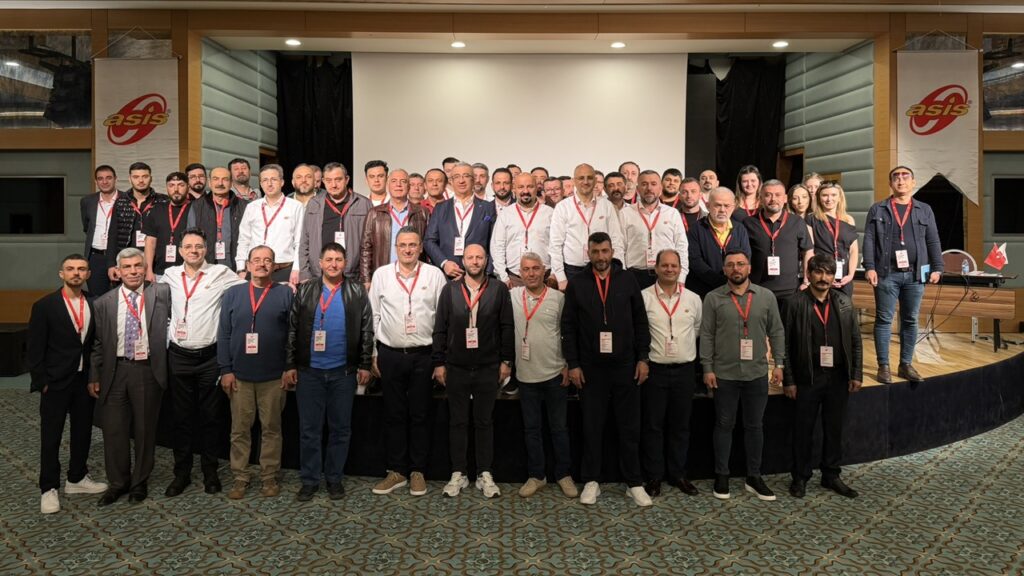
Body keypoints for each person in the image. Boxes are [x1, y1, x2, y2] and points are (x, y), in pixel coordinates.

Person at [561, 232, 652, 507]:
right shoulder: (577, 284)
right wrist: (573, 364)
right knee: (592, 426)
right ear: (588, 253)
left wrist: (643, 358)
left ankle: (634, 482)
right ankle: (592, 480)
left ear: (612, 252)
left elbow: (640, 321)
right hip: (591, 368)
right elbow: (568, 327)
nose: (600, 257)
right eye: (595, 252)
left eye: (604, 251)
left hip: (626, 365)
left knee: (629, 426)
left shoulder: (628, 280)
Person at [284, 243, 373, 501]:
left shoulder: (356, 290)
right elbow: (292, 329)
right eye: (329, 259)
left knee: (340, 429)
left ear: (345, 263)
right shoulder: (305, 290)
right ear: (320, 263)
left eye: (339, 260)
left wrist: (365, 364)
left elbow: (367, 329)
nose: (334, 264)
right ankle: (310, 480)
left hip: (343, 373)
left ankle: (334, 478)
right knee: (309, 430)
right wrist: (290, 364)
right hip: (309, 372)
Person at [161, 228, 246, 497]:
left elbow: (248, 288)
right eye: (188, 246)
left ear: (206, 249)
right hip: (178, 356)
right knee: (181, 419)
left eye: (198, 246)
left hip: (210, 357)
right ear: (180, 251)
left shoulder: (221, 273)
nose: (194, 251)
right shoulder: (170, 275)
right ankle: (181, 474)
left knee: (211, 418)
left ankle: (211, 472)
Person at [88, 247, 171, 506]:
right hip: (115, 371)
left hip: (147, 369)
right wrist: (94, 375)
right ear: (118, 271)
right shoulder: (103, 303)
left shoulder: (161, 293)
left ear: (145, 269)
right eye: (127, 267)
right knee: (114, 430)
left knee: (145, 430)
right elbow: (97, 344)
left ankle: (139, 482)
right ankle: (117, 483)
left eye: (138, 266)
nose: (133, 271)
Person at [700, 250, 784, 502]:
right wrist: (707, 368)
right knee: (724, 425)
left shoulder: (766, 297)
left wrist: (779, 364)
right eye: (730, 265)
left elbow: (777, 331)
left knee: (755, 426)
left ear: (749, 268)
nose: (736, 268)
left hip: (756, 373)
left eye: (740, 264)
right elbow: (707, 334)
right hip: (723, 374)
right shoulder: (713, 298)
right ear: (724, 269)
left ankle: (754, 477)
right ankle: (722, 475)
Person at [368, 228, 447, 497]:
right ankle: (397, 470)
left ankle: (417, 471)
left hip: (424, 355)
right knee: (394, 414)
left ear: (421, 247)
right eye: (402, 245)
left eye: (413, 245)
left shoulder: (434, 275)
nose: (408, 250)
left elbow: (443, 320)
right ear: (396, 247)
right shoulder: (381, 275)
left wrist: (440, 358)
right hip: (390, 354)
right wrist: (374, 353)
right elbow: (374, 315)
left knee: (421, 414)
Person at [432, 244, 514, 498]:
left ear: (486, 260)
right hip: (456, 366)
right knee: (457, 421)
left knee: (484, 421)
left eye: (479, 257)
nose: (475, 261)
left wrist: (506, 361)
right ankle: (459, 472)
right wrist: (438, 362)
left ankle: (484, 473)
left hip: (488, 366)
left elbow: (507, 327)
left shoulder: (498, 289)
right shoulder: (450, 290)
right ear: (463, 261)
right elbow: (440, 328)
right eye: (470, 257)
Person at [29, 254, 107, 513]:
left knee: (82, 432)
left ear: (88, 274)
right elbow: (35, 348)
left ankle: (77, 478)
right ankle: (48, 488)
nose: (76, 273)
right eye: (71, 269)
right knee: (51, 436)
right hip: (55, 382)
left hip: (84, 381)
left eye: (81, 269)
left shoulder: (94, 303)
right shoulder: (45, 306)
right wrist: (42, 382)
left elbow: (94, 344)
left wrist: (94, 377)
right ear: (61, 274)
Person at [783, 254, 863, 499]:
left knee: (834, 429)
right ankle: (800, 476)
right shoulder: (794, 303)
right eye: (818, 272)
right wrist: (789, 379)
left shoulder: (844, 302)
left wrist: (856, 373)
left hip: (838, 376)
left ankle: (831, 475)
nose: (823, 278)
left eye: (828, 273)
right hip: (807, 377)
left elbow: (855, 341)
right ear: (808, 274)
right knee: (803, 430)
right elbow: (784, 345)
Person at [218, 245, 294, 499]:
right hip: (239, 376)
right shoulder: (233, 294)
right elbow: (224, 334)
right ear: (248, 265)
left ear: (274, 266)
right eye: (257, 260)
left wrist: (289, 367)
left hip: (273, 377)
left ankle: (269, 476)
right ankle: (240, 477)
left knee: (271, 430)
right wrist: (225, 369)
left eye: (268, 260)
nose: (262, 264)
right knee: (239, 431)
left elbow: (292, 335)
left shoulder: (285, 294)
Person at [862, 166, 943, 385]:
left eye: (905, 177)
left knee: (910, 319)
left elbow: (933, 239)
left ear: (913, 182)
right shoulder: (878, 209)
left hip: (915, 275)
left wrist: (937, 267)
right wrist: (869, 266)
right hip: (886, 274)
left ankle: (905, 364)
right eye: (896, 177)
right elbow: (869, 239)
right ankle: (883, 366)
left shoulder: (924, 209)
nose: (900, 180)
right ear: (890, 183)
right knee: (884, 320)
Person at [511, 253, 577, 498]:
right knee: (532, 429)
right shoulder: (512, 297)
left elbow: (568, 332)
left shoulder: (559, 298)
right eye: (526, 269)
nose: (531, 273)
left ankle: (564, 474)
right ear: (520, 273)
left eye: (536, 268)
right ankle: (537, 476)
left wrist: (568, 364)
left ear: (544, 271)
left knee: (559, 428)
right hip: (526, 376)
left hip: (555, 374)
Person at [640, 249, 702, 498]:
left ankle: (678, 474)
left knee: (680, 426)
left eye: (673, 265)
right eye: (664, 265)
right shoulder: (644, 297)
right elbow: (640, 333)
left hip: (684, 371)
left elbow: (696, 330)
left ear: (680, 268)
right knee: (653, 426)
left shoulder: (693, 299)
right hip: (655, 371)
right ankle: (654, 476)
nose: (669, 269)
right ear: (655, 268)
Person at [549, 164, 625, 289]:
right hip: (572, 271)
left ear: (595, 180)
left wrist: (619, 272)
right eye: (581, 178)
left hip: (603, 268)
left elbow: (616, 240)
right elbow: (555, 245)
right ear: (574, 181)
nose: (585, 182)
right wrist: (561, 278)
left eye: (589, 178)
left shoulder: (606, 206)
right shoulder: (563, 207)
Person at [743, 179, 812, 314]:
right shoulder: (749, 223)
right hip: (758, 289)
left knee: (788, 327)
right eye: (768, 195)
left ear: (785, 198)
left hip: (790, 291)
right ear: (760, 198)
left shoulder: (797, 222)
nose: (773, 199)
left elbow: (808, 251)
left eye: (777, 195)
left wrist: (806, 281)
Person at [298, 162, 373, 283]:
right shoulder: (314, 204)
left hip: (353, 275)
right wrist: (304, 273)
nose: (333, 185)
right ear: (323, 181)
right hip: (318, 275)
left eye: (338, 180)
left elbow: (371, 243)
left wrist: (366, 277)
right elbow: (304, 242)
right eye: (328, 180)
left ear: (347, 179)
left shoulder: (363, 203)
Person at [424, 162, 497, 279]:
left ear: (473, 180)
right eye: (456, 177)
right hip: (447, 275)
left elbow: (495, 243)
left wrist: (487, 272)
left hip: (479, 276)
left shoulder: (488, 208)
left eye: (466, 176)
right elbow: (429, 240)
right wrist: (444, 263)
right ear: (451, 181)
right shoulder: (440, 208)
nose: (461, 181)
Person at [619, 170, 689, 289]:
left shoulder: (672, 213)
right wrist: (622, 275)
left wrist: (681, 277)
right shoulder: (625, 213)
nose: (649, 188)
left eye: (653, 184)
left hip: (667, 274)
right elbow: (619, 247)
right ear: (637, 188)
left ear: (660, 188)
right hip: (635, 276)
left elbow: (681, 247)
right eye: (644, 184)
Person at [236, 164, 305, 284]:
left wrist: (296, 269)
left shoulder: (295, 207)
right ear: (261, 183)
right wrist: (240, 268)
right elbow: (244, 239)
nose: (269, 184)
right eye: (265, 180)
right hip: (255, 269)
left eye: (273, 179)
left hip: (284, 269)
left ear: (282, 182)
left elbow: (300, 241)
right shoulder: (252, 207)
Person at [359, 168, 429, 286]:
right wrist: (366, 279)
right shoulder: (374, 213)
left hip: (415, 275)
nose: (398, 185)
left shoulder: (422, 212)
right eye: (394, 181)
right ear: (388, 185)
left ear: (408, 186)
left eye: (403, 181)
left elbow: (428, 245)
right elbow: (366, 248)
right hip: (384, 275)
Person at [106, 162, 166, 284]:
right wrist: (111, 264)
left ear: (151, 178)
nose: (141, 180)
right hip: (128, 261)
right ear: (130, 179)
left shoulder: (163, 201)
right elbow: (113, 235)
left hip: (157, 262)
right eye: (136, 177)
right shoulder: (121, 202)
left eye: (145, 176)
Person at [491, 172, 554, 288]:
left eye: (530, 186)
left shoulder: (549, 213)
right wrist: (503, 277)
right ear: (514, 189)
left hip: (545, 278)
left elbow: (556, 246)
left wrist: (554, 273)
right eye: (521, 187)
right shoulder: (505, 214)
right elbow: (497, 247)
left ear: (536, 188)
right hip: (514, 279)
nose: (525, 191)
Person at [687, 187, 751, 298]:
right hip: (704, 292)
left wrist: (732, 280)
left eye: (727, 206)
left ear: (733, 207)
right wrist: (721, 282)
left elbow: (746, 257)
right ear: (708, 206)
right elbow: (695, 260)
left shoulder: (740, 229)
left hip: (734, 291)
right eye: (717, 205)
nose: (722, 210)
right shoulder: (696, 229)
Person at [187, 166, 250, 268]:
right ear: (209, 183)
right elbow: (190, 238)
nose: (220, 183)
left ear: (231, 183)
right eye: (216, 179)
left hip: (236, 267)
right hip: (205, 266)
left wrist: (243, 267)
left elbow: (250, 239)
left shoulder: (244, 206)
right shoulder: (196, 206)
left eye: (225, 179)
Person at [809, 182, 858, 297]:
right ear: (819, 198)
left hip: (844, 277)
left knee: (843, 307)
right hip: (821, 274)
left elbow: (853, 250)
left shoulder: (849, 219)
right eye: (825, 195)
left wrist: (850, 275)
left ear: (840, 197)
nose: (829, 199)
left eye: (833, 195)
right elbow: (809, 250)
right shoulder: (811, 219)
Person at [81, 165, 123, 295]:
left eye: (108, 178)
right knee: (97, 298)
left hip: (120, 256)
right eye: (100, 178)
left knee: (121, 297)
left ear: (115, 179)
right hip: (95, 257)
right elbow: (87, 227)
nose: (104, 182)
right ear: (96, 181)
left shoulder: (126, 199)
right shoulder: (87, 201)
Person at [143, 172, 192, 282]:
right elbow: (150, 242)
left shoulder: (195, 209)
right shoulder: (156, 210)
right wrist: (148, 270)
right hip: (160, 272)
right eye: (171, 185)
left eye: (181, 185)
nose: (176, 189)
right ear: (167, 188)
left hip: (188, 272)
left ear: (188, 187)